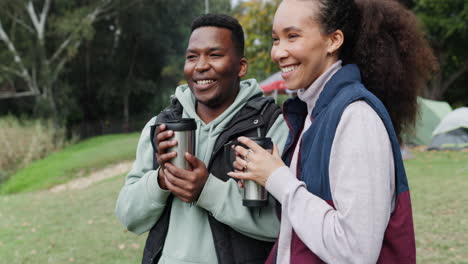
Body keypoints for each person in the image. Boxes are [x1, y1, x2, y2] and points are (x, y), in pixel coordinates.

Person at [228, 0, 438, 263]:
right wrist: (269, 175)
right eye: (275, 39)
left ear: (333, 40)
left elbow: (356, 251)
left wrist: (278, 178)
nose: (278, 52)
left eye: (292, 36)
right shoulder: (311, 112)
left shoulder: (356, 118)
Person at [115, 14, 289, 264]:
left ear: (241, 66)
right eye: (192, 56)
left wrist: (207, 190)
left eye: (215, 55)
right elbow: (128, 217)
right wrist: (162, 180)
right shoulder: (161, 126)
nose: (200, 65)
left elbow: (284, 223)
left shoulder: (271, 127)